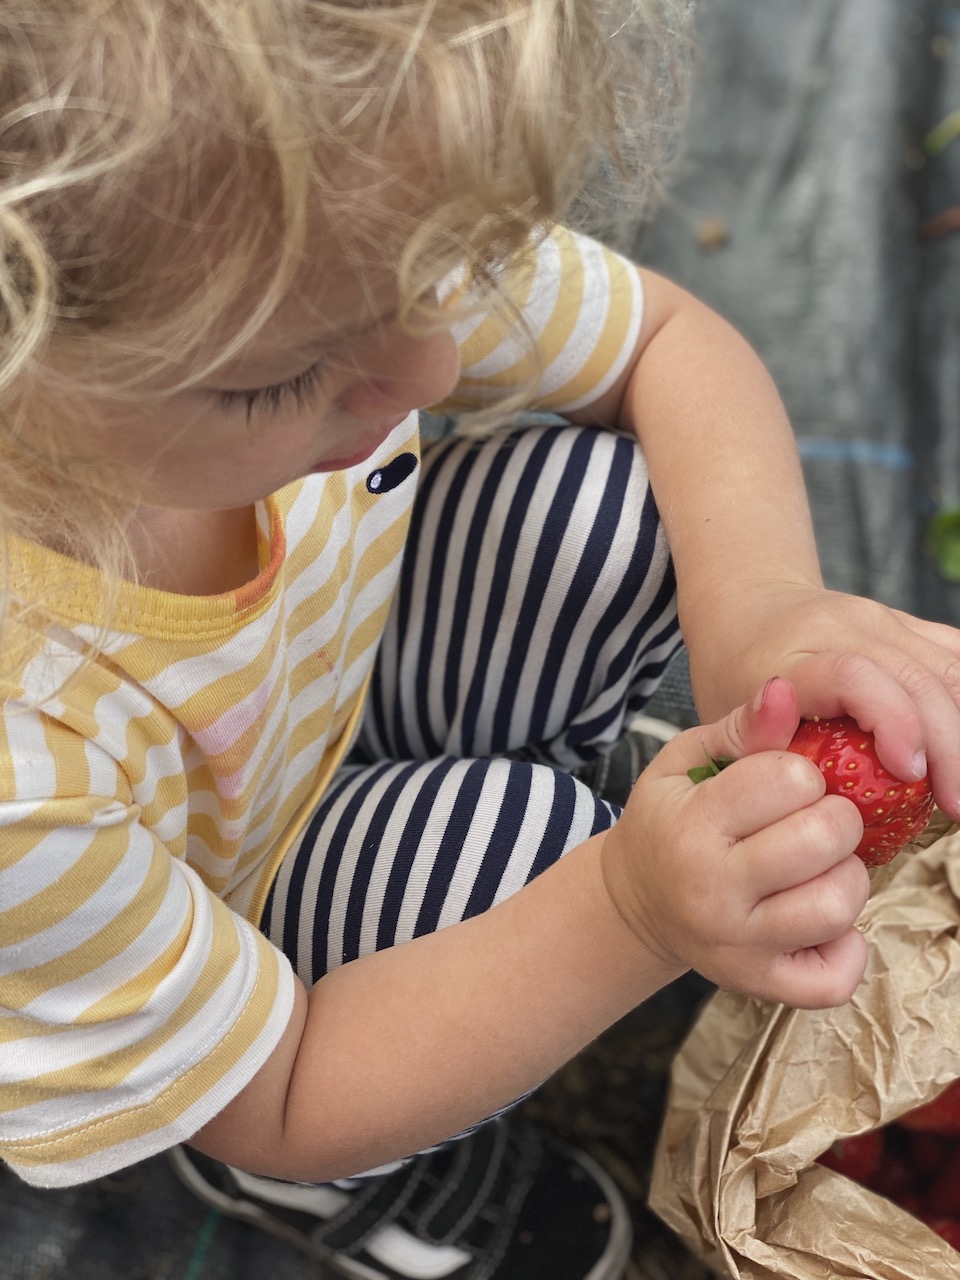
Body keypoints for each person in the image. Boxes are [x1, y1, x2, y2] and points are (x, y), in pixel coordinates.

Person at [2, 3, 960, 1278]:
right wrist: (623, 906)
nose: (434, 364)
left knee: (605, 516)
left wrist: (761, 615)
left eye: (438, 272)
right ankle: (362, 1178)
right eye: (280, 379)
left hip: (314, 691)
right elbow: (284, 1088)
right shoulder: (24, 755)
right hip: (252, 986)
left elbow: (667, 343)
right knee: (531, 854)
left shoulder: (322, 236)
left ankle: (538, 832)